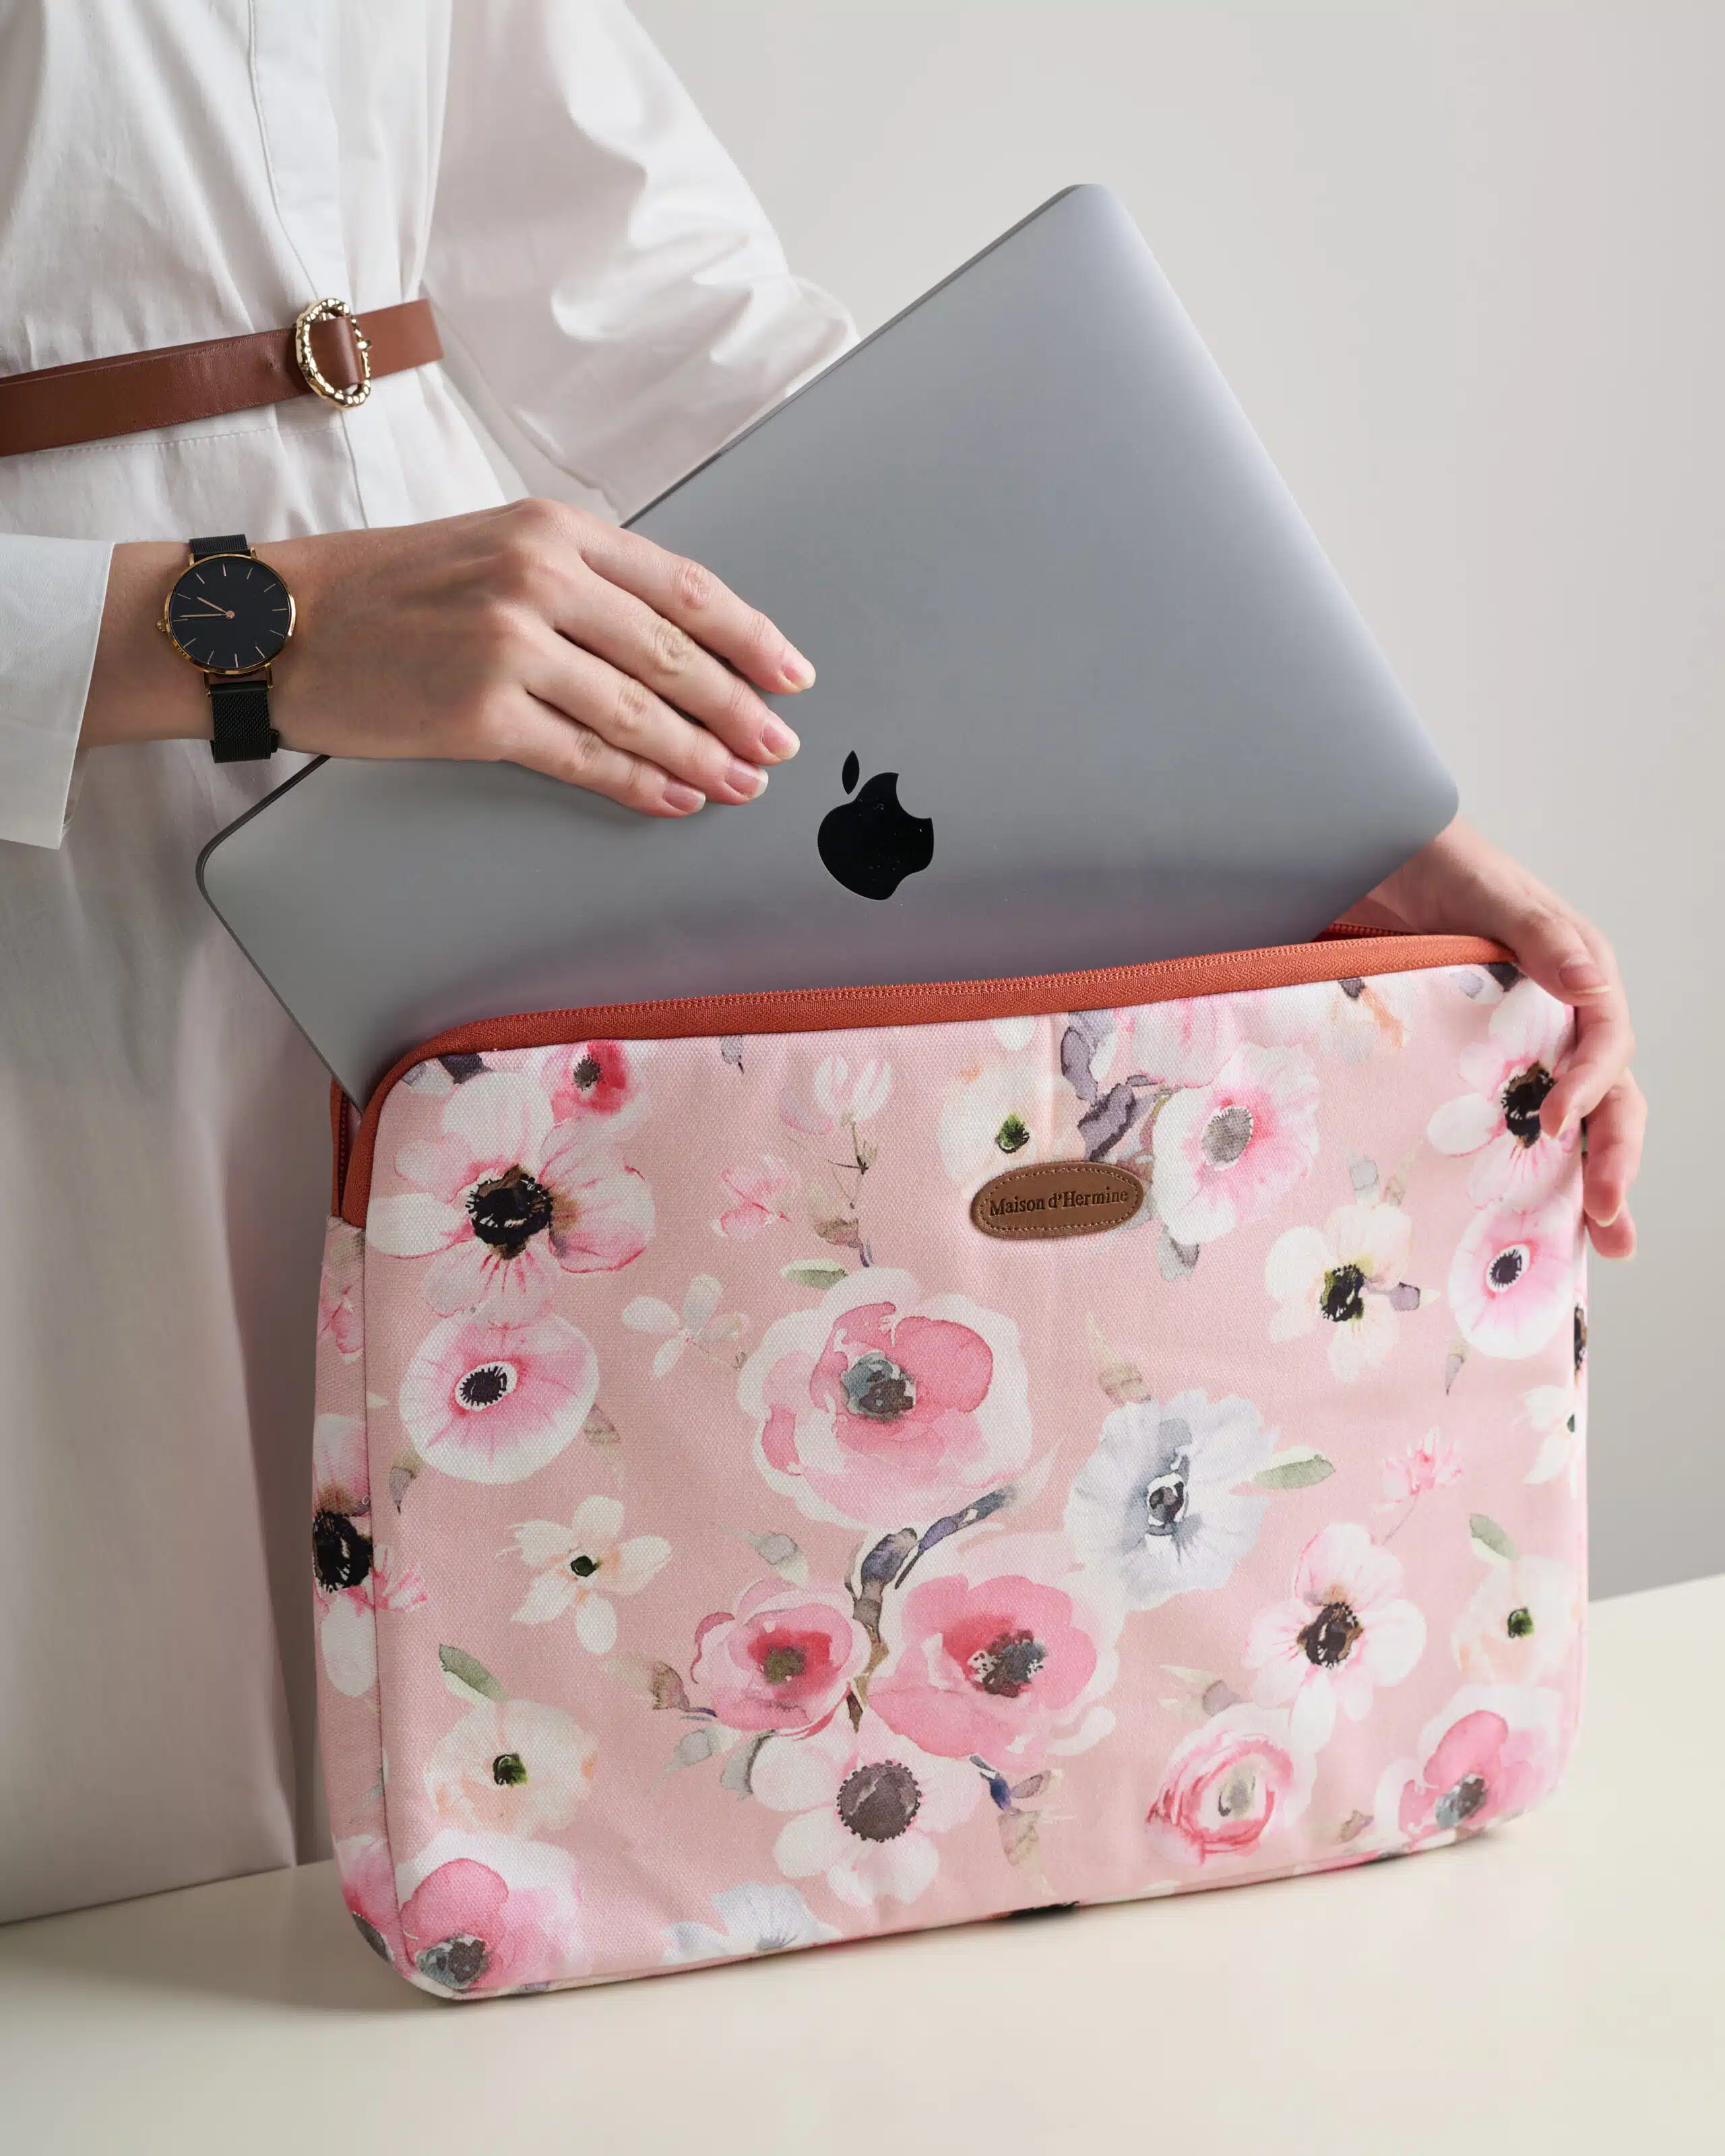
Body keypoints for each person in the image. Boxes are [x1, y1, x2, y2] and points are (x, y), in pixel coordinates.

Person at [0, 0, 1642, 1926]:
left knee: (534, 1765)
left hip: (499, 817)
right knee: (133, 1830)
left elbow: (673, 324)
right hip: (63, 868)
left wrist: (1323, 801)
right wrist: (248, 625)